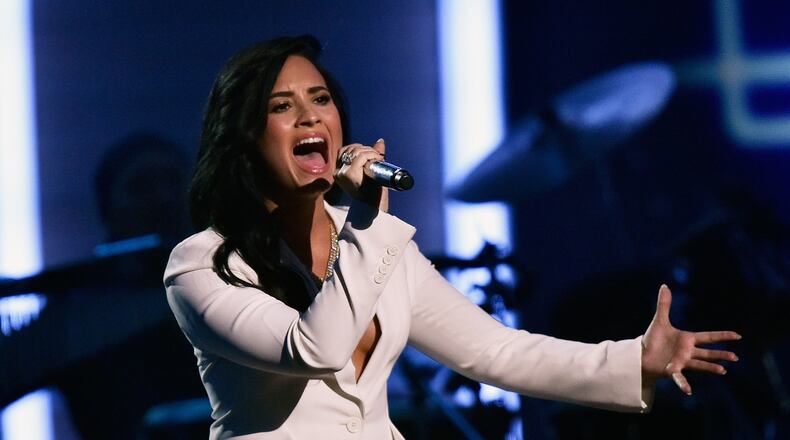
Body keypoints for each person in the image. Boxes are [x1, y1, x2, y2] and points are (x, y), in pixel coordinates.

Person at [163, 35, 741, 439]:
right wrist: (368, 224)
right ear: (243, 137)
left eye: (321, 100)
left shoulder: (377, 244)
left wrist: (634, 361)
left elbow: (494, 350)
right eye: (282, 107)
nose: (312, 117)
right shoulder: (202, 267)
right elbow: (316, 349)